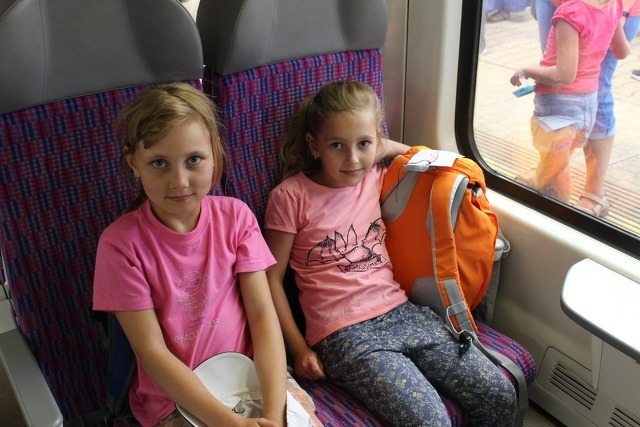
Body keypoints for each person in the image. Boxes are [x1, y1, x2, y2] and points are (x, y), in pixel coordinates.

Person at [263, 81, 518, 427]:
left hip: (402, 311)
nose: (352, 160)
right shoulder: (290, 197)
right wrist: (298, 349)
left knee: (499, 395)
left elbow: (421, 157)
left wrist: (378, 147)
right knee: (431, 422)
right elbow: (271, 278)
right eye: (336, 145)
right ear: (314, 145)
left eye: (363, 144)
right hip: (343, 333)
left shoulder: (376, 175)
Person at [92, 83, 290, 427]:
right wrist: (232, 424)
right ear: (134, 163)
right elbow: (152, 352)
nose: (180, 181)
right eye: (159, 163)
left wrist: (273, 413)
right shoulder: (120, 246)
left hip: (253, 378)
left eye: (194, 160)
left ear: (215, 153)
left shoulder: (237, 217)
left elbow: (262, 316)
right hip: (175, 401)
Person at [511, 0, 630, 205]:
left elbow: (563, 75)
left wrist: (527, 70)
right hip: (588, 104)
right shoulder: (613, 4)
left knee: (555, 179)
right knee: (558, 164)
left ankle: (557, 214)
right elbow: (622, 51)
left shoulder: (571, 13)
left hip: (559, 106)